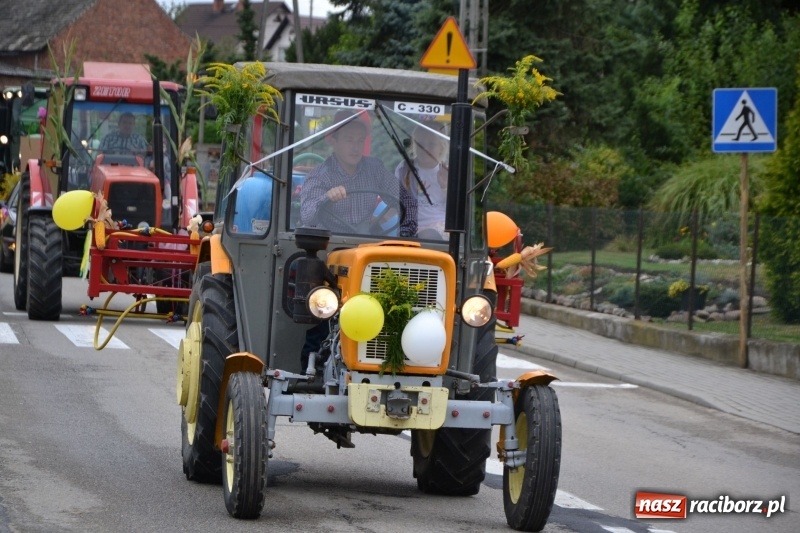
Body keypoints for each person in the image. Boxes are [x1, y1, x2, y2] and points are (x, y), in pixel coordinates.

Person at [300, 110, 417, 236]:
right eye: (349, 140)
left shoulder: (375, 170)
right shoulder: (319, 175)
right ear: (334, 142)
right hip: (330, 242)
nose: (356, 148)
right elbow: (307, 217)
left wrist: (407, 231)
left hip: (365, 242)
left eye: (360, 141)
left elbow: (405, 200)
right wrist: (327, 198)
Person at [395, 122, 448, 240]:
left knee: (429, 236)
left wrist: (444, 186)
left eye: (431, 144)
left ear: (441, 147)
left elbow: (455, 211)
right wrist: (405, 189)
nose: (425, 149)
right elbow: (394, 201)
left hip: (439, 226)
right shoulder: (404, 168)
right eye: (420, 144)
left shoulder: (446, 171)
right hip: (410, 225)